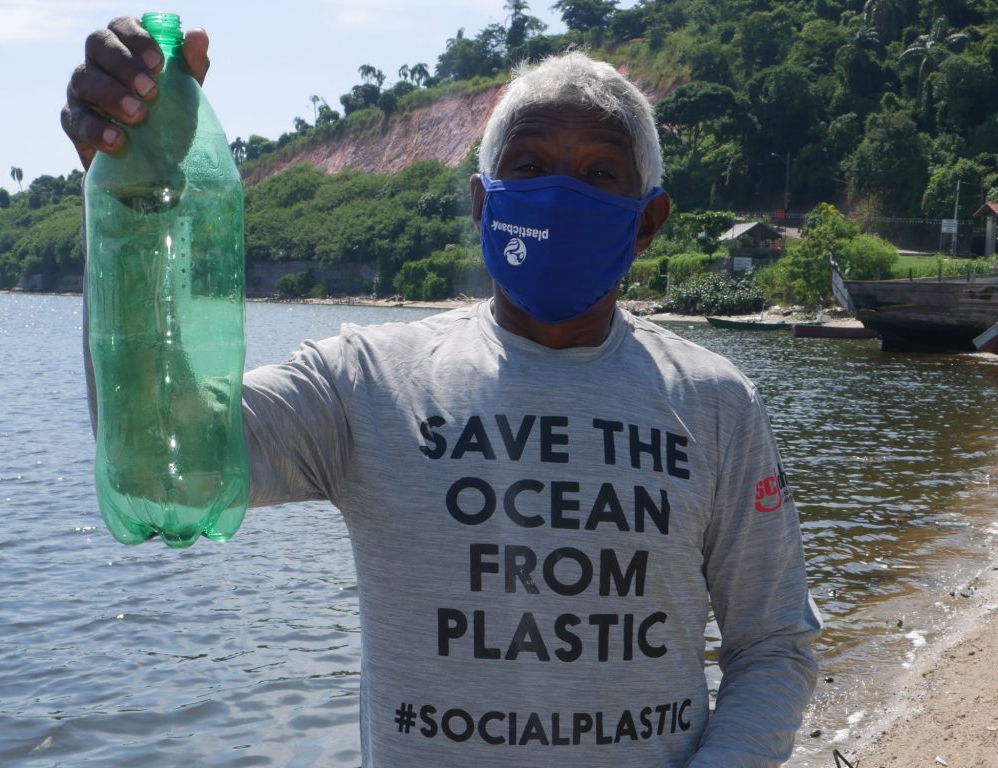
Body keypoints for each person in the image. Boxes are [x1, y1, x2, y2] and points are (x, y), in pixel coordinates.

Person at [64, 17, 821, 767]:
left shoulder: (718, 404)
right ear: (483, 206)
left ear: (647, 221)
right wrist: (130, 198)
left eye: (598, 174)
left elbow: (774, 645)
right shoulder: (366, 380)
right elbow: (163, 460)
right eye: (528, 169)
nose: (558, 196)